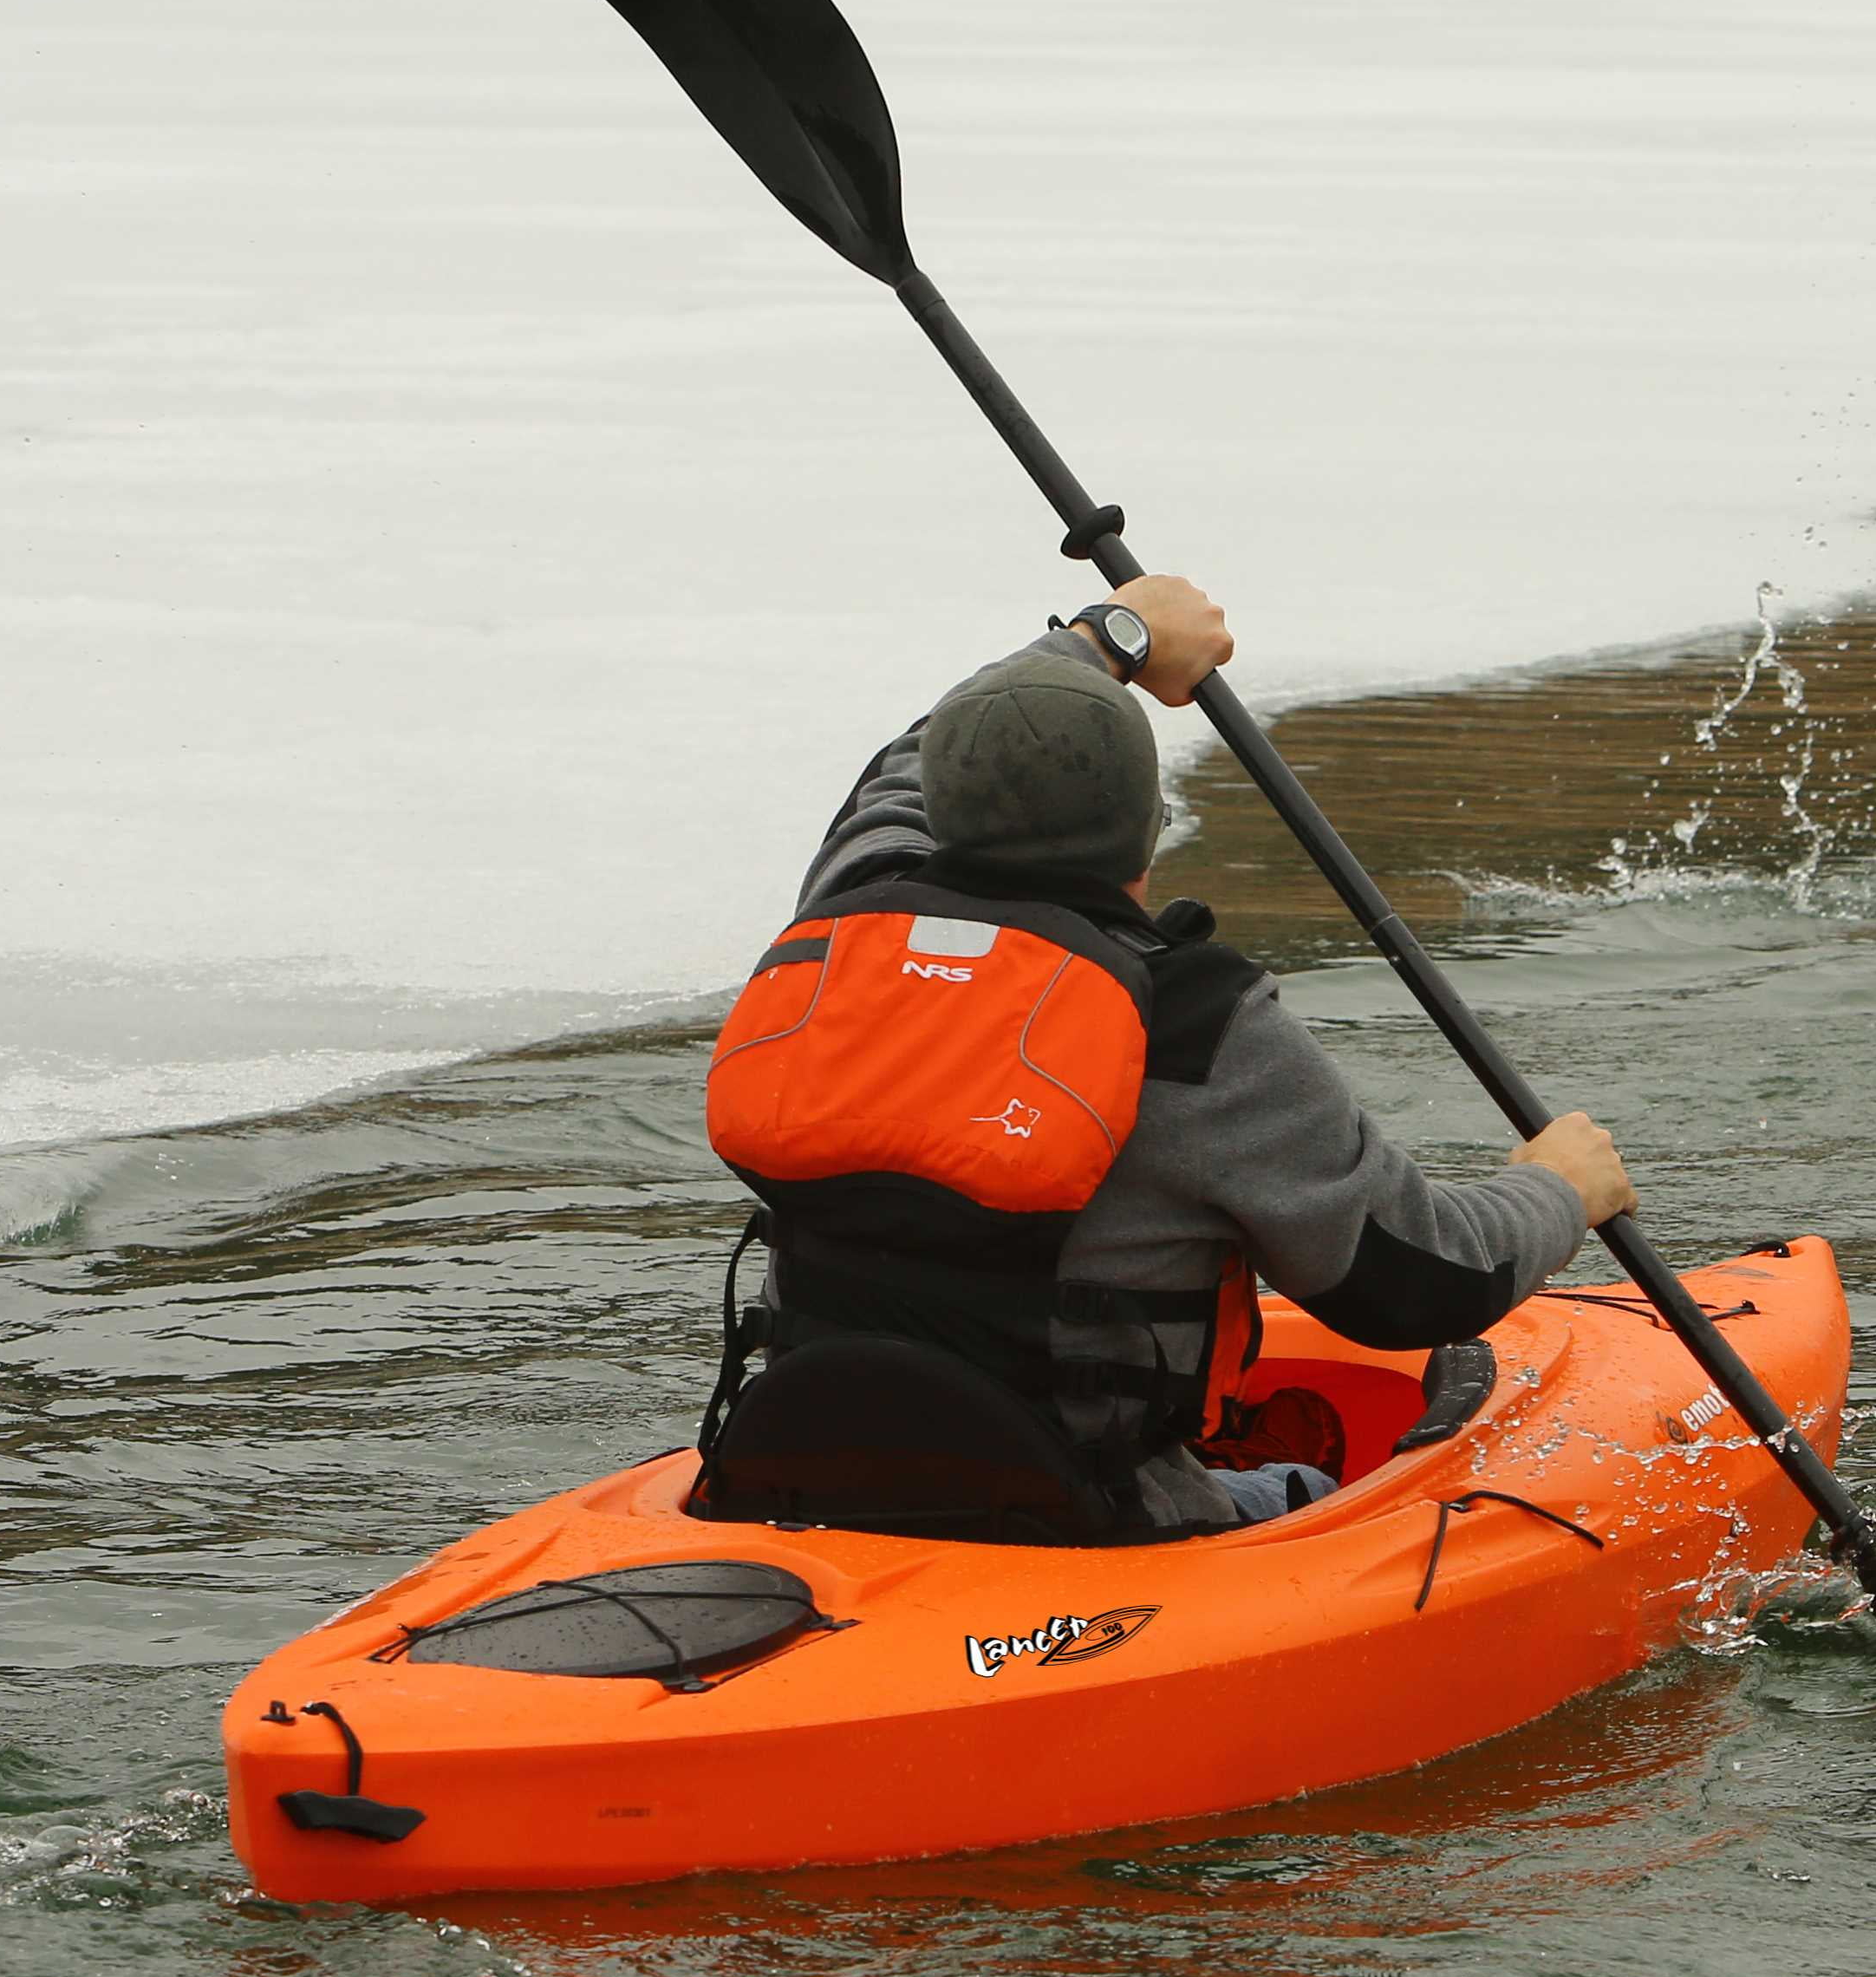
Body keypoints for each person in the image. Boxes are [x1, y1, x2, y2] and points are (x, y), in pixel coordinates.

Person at [696, 575, 1635, 1536]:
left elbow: (909, 764)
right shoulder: (1196, 1019)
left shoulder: (843, 912)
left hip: (793, 1471)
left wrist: (1112, 636)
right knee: (1309, 1493)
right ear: (1149, 833)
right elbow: (1413, 1284)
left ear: (939, 799)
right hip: (1095, 1519)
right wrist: (1557, 1191)